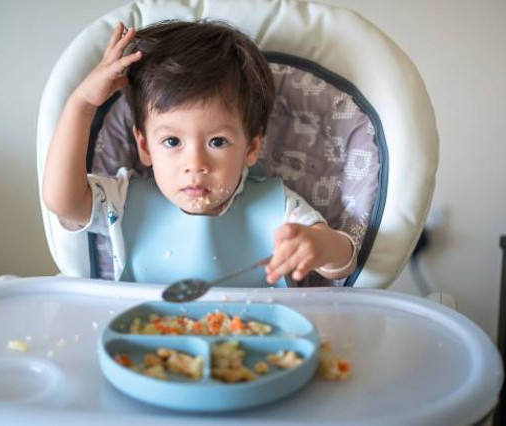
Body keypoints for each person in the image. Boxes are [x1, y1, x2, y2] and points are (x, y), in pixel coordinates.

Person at [42, 19, 357, 287]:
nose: (195, 164)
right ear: (144, 146)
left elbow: (343, 261)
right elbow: (63, 202)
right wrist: (82, 104)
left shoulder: (277, 208)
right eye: (172, 142)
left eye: (217, 142)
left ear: (252, 146)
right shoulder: (122, 202)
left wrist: (319, 245)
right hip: (145, 349)